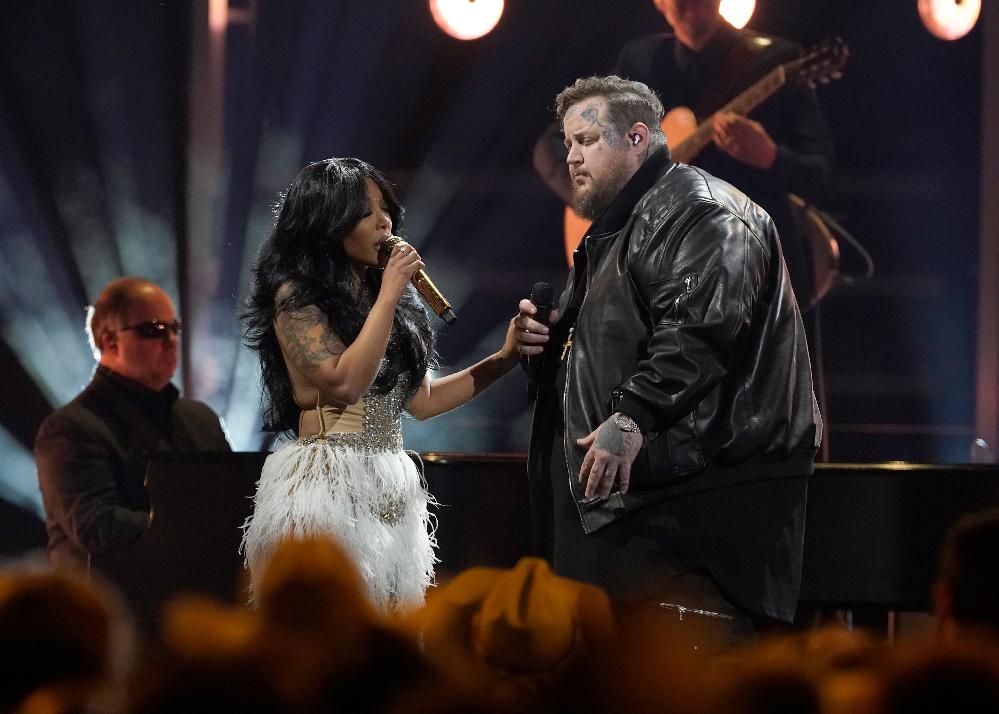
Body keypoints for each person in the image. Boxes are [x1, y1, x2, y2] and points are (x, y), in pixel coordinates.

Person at [516, 76, 820, 646]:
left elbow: (700, 331)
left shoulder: (701, 212)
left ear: (637, 138)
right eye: (568, 143)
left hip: (680, 511)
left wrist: (633, 418)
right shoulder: (619, 224)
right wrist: (550, 343)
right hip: (632, 504)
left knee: (676, 681)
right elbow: (620, 343)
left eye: (585, 140)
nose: (572, 158)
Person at [240, 157, 520, 612]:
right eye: (367, 211)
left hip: (389, 481)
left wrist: (504, 361)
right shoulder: (297, 297)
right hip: (326, 482)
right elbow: (344, 383)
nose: (385, 220)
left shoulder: (382, 299)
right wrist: (390, 294)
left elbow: (423, 401)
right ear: (328, 220)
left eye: (385, 207)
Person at [534, 0, 835, 309]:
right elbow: (552, 145)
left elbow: (822, 174)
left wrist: (771, 157)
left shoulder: (774, 60)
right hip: (661, 287)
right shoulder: (640, 62)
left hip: (751, 276)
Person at [34, 277, 231, 569]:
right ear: (109, 341)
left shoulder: (201, 418)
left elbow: (236, 499)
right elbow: (97, 526)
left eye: (174, 328)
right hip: (116, 609)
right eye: (153, 330)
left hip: (201, 600)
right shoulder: (69, 429)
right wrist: (202, 525)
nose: (171, 340)